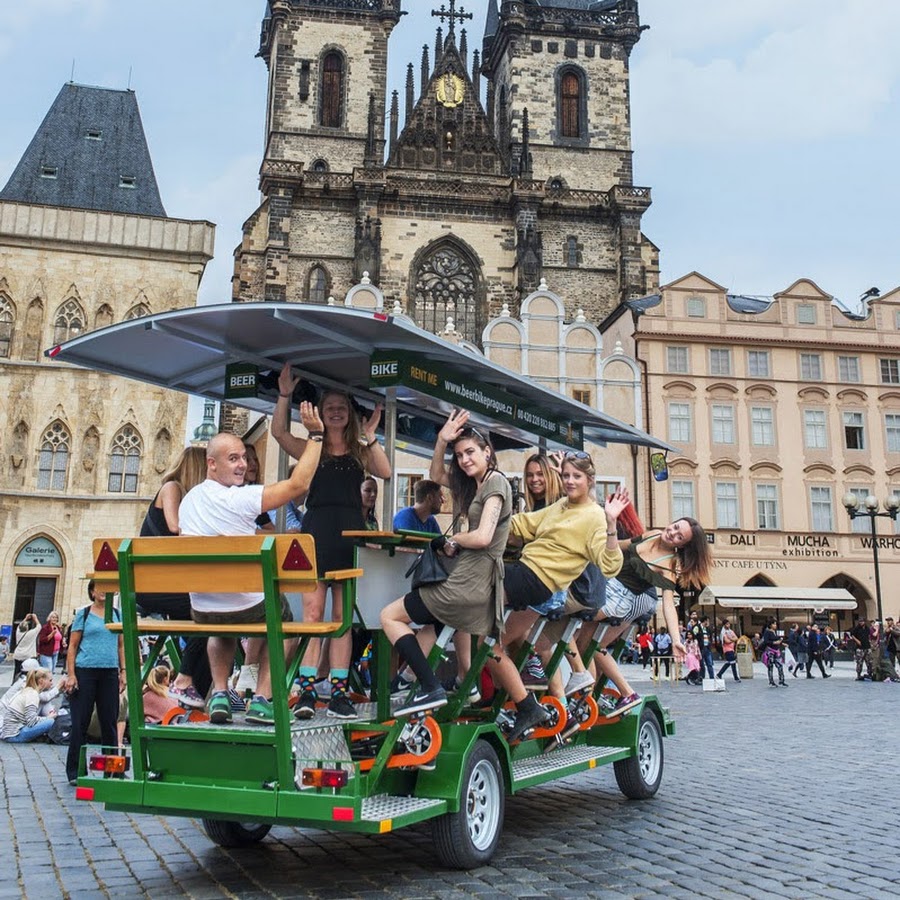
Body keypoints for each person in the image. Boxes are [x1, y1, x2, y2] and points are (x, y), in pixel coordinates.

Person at [178, 409, 324, 726]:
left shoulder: (189, 500)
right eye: (233, 459)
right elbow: (298, 485)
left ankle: (219, 693)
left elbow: (224, 534)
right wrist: (315, 437)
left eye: (243, 457)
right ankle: (261, 698)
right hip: (248, 606)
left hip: (203, 608)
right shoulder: (240, 499)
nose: (243, 464)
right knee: (284, 624)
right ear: (211, 464)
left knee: (222, 622)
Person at [273, 364, 391, 720]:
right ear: (321, 414)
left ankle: (338, 691)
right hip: (317, 532)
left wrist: (370, 433)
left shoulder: (359, 449)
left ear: (350, 414)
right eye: (330, 407)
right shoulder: (313, 447)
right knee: (312, 613)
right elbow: (278, 432)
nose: (336, 411)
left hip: (349, 534)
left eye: (342, 406)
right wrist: (284, 395)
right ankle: (307, 689)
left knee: (342, 618)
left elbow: (385, 472)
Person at [380, 411, 512, 720]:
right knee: (434, 624)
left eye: (471, 452)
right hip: (473, 584)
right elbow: (436, 475)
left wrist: (453, 541)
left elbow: (482, 537)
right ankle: (417, 680)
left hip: (468, 584)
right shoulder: (476, 485)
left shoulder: (495, 484)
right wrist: (441, 440)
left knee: (389, 616)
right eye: (460, 454)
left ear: (487, 452)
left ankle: (429, 686)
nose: (465, 460)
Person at [497, 449, 629, 741]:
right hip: (537, 578)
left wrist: (610, 524)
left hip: (546, 584)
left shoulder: (594, 516)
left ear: (590, 480)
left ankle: (520, 697)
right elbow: (525, 524)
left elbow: (610, 564)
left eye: (576, 476)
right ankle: (542, 705)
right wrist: (491, 521)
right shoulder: (560, 506)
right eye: (566, 475)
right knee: (508, 641)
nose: (570, 481)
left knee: (497, 637)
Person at [576, 515, 710, 713]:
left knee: (578, 634)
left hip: (619, 599)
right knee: (587, 646)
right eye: (674, 527)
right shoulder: (653, 534)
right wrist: (594, 542)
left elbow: (668, 604)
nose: (672, 533)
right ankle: (590, 701)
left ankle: (591, 699)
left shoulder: (668, 566)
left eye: (679, 537)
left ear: (682, 546)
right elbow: (622, 545)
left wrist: (675, 639)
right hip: (606, 584)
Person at [137, 445, 211, 710]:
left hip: (171, 583)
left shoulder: (185, 494)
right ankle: (185, 681)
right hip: (156, 585)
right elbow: (174, 526)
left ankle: (195, 696)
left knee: (213, 633)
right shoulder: (172, 487)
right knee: (212, 608)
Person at [65, 580, 125, 785]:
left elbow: (120, 646)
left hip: (109, 673)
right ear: (92, 591)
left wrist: (123, 671)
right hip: (85, 671)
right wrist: (71, 674)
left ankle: (112, 770)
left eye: (108, 588)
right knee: (80, 722)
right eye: (99, 587)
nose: (104, 591)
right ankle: (76, 772)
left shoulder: (117, 615)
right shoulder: (84, 614)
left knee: (109, 722)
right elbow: (72, 647)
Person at [0, 668, 58, 743]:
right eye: (50, 680)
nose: (52, 683)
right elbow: (31, 721)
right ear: (41, 681)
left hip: (10, 732)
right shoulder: (33, 694)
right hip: (14, 735)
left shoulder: (29, 690)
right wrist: (48, 718)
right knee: (50, 722)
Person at [760, 619, 787, 687]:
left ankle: (782, 680)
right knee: (770, 666)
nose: (775, 625)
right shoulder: (767, 632)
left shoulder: (774, 632)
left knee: (780, 665)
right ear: (770, 625)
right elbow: (766, 641)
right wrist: (774, 642)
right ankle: (771, 681)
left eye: (775, 624)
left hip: (777, 650)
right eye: (774, 624)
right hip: (770, 651)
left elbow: (777, 640)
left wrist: (782, 643)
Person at [13, 613, 40, 678]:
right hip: (27, 655)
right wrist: (35, 618)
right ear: (27, 628)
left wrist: (25, 618)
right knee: (27, 672)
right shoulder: (31, 633)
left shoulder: (18, 632)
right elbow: (39, 626)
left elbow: (19, 626)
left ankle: (15, 682)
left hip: (18, 655)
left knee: (17, 670)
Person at [691, 615, 715, 681]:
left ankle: (712, 678)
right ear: (705, 621)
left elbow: (710, 637)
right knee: (701, 665)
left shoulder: (708, 629)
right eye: (707, 621)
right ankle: (702, 678)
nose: (708, 623)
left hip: (707, 648)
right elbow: (694, 636)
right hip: (700, 649)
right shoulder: (697, 628)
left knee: (709, 664)